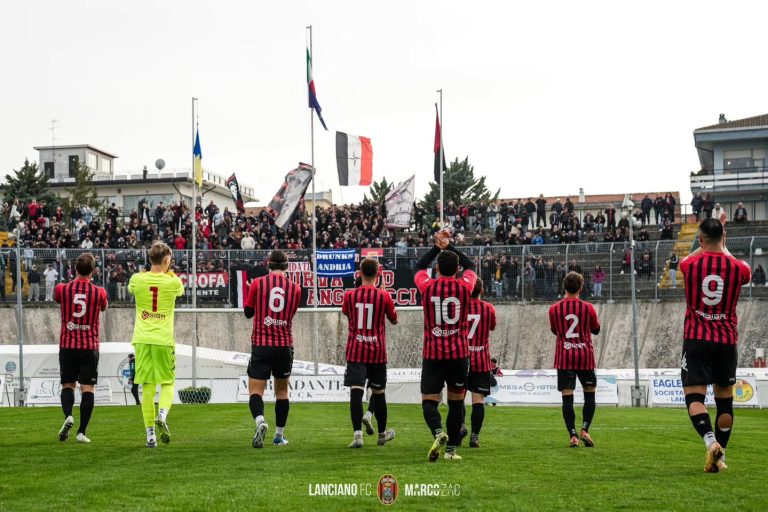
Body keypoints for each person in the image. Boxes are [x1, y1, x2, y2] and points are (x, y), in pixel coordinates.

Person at [680, 218, 750, 472]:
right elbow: (738, 266)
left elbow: (692, 258)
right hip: (726, 341)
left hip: (697, 339)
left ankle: (711, 442)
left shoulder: (689, 264)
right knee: (725, 402)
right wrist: (723, 244)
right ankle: (720, 457)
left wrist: (709, 243)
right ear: (723, 237)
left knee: (695, 396)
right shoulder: (739, 268)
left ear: (700, 239)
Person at [414, 229, 478, 462]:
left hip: (433, 354)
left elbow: (418, 267)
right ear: (458, 270)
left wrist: (436, 247)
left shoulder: (427, 286)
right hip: (459, 355)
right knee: (456, 403)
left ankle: (438, 433)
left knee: (429, 403)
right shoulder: (465, 286)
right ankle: (451, 451)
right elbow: (471, 265)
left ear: (437, 269)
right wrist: (449, 246)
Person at [128, 242, 184, 448]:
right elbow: (180, 290)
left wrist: (145, 271)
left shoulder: (138, 280)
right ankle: (162, 413)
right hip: (163, 339)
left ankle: (150, 435)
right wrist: (169, 272)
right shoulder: (172, 282)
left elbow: (131, 286)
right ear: (167, 260)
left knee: (147, 385)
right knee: (168, 381)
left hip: (142, 339)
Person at [243, 249, 301, 448]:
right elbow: (290, 314)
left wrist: (252, 292)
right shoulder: (296, 288)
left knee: (255, 391)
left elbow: (248, 313)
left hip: (261, 344)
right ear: (286, 266)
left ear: (268, 264)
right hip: (284, 344)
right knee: (282, 391)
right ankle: (279, 436)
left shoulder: (258, 284)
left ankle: (260, 421)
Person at [341, 258, 398, 448]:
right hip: (377, 352)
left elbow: (347, 313)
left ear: (360, 273)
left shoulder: (350, 295)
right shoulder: (384, 296)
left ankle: (358, 436)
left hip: (356, 349)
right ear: (378, 273)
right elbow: (393, 319)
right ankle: (382, 435)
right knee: (379, 393)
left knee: (356, 394)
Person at [55, 253, 108, 444]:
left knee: (68, 385)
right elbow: (103, 308)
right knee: (88, 388)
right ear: (93, 271)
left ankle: (68, 415)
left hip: (68, 345)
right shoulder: (99, 291)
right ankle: (81, 432)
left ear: (75, 269)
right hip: (89, 346)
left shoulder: (62, 289)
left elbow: (57, 299)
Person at [549, 272, 601, 448]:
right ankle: (585, 429)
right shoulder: (588, 308)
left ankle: (572, 435)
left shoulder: (554, 309)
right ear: (581, 287)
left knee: (567, 395)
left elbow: (555, 330)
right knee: (590, 392)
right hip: (585, 355)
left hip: (564, 356)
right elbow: (596, 329)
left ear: (564, 287)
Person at [464, 278, 496, 448]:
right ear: (481, 291)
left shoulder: (460, 306)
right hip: (481, 360)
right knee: (478, 400)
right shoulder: (488, 308)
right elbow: (492, 327)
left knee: (458, 398)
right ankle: (474, 436)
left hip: (461, 358)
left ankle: (461, 426)